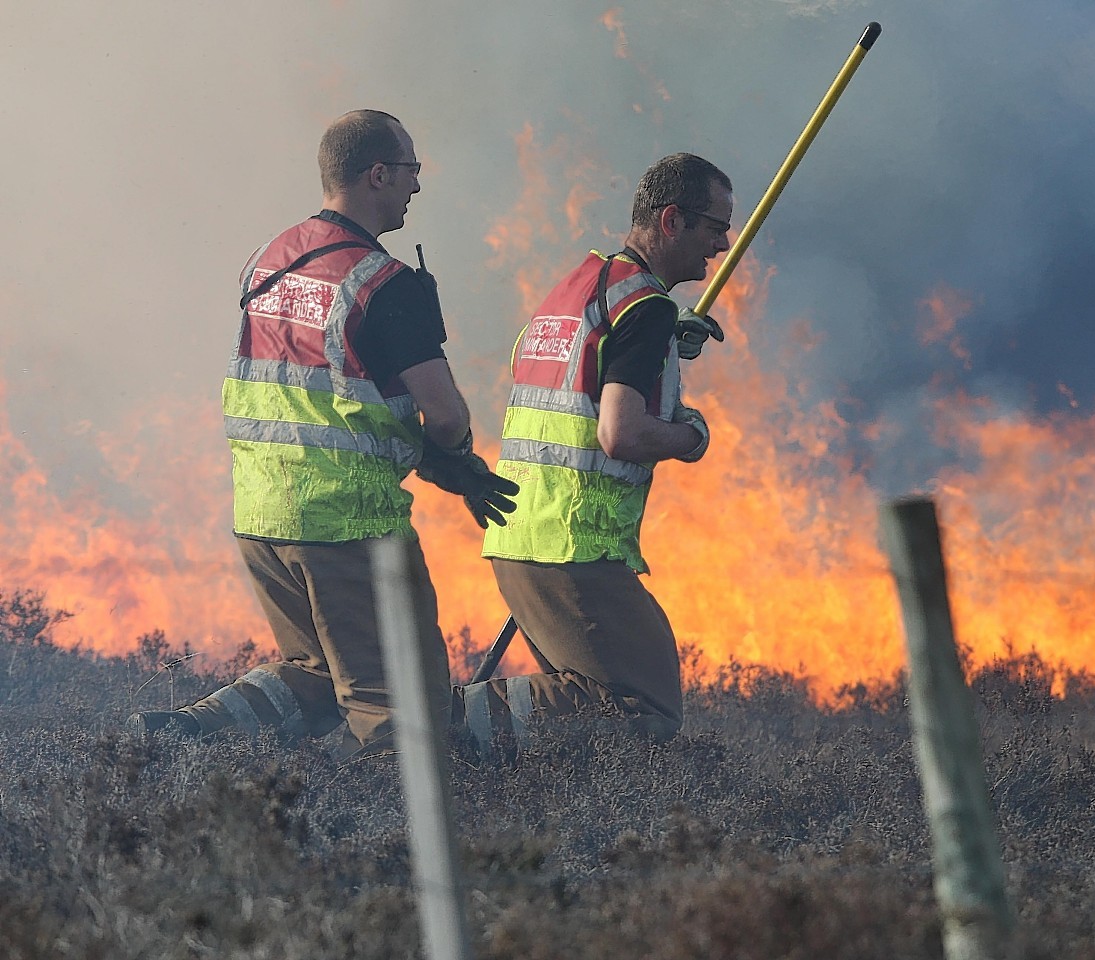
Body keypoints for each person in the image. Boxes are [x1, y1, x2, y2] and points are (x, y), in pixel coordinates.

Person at [128, 109, 517, 759]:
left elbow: (325, 399)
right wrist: (456, 462)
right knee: (400, 699)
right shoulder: (384, 283)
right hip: (345, 526)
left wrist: (416, 450)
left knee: (317, 671)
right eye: (412, 172)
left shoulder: (267, 260)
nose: (417, 188)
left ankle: (179, 738)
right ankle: (391, 839)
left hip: (263, 513)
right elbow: (444, 413)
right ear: (378, 174)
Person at [456, 152, 732, 756]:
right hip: (574, 544)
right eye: (714, 226)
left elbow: (566, 378)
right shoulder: (646, 309)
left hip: (522, 535)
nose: (723, 243)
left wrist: (659, 355)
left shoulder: (574, 290)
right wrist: (692, 435)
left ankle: (458, 746)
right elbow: (621, 435)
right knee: (647, 710)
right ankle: (437, 723)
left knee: (602, 697)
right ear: (671, 221)